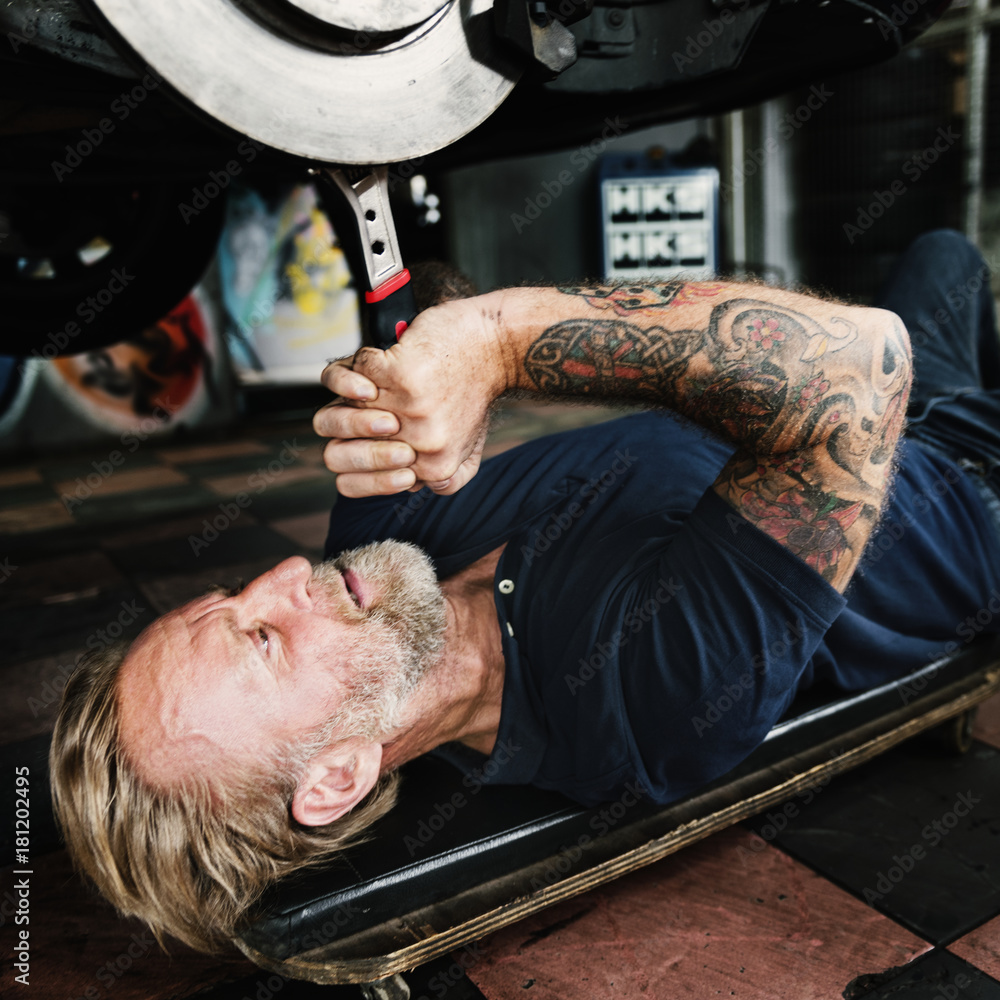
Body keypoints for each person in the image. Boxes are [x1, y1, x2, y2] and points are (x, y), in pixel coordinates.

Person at [50, 230, 1000, 955]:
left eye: (233, 594)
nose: (285, 577)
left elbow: (426, 303)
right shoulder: (643, 694)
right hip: (977, 485)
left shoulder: (381, 562)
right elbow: (859, 365)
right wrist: (499, 344)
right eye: (262, 639)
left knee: (944, 251)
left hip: (930, 408)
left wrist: (420, 361)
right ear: (337, 775)